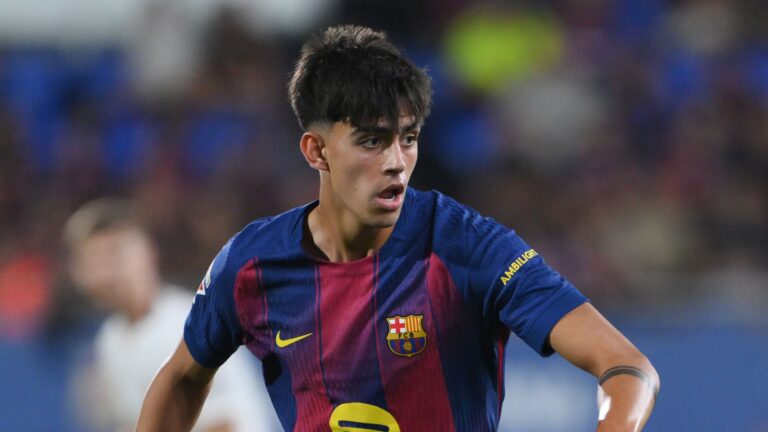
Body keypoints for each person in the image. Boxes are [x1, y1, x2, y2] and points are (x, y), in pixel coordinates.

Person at [137, 25, 659, 431]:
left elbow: (628, 367)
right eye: (371, 141)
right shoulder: (251, 264)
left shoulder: (466, 246)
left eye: (407, 138)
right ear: (316, 151)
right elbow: (183, 378)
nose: (396, 162)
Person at [64, 198, 282, 432]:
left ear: (147, 253)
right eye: (94, 261)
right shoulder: (110, 340)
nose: (107, 272)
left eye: (115, 254)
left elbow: (226, 423)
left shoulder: (188, 323)